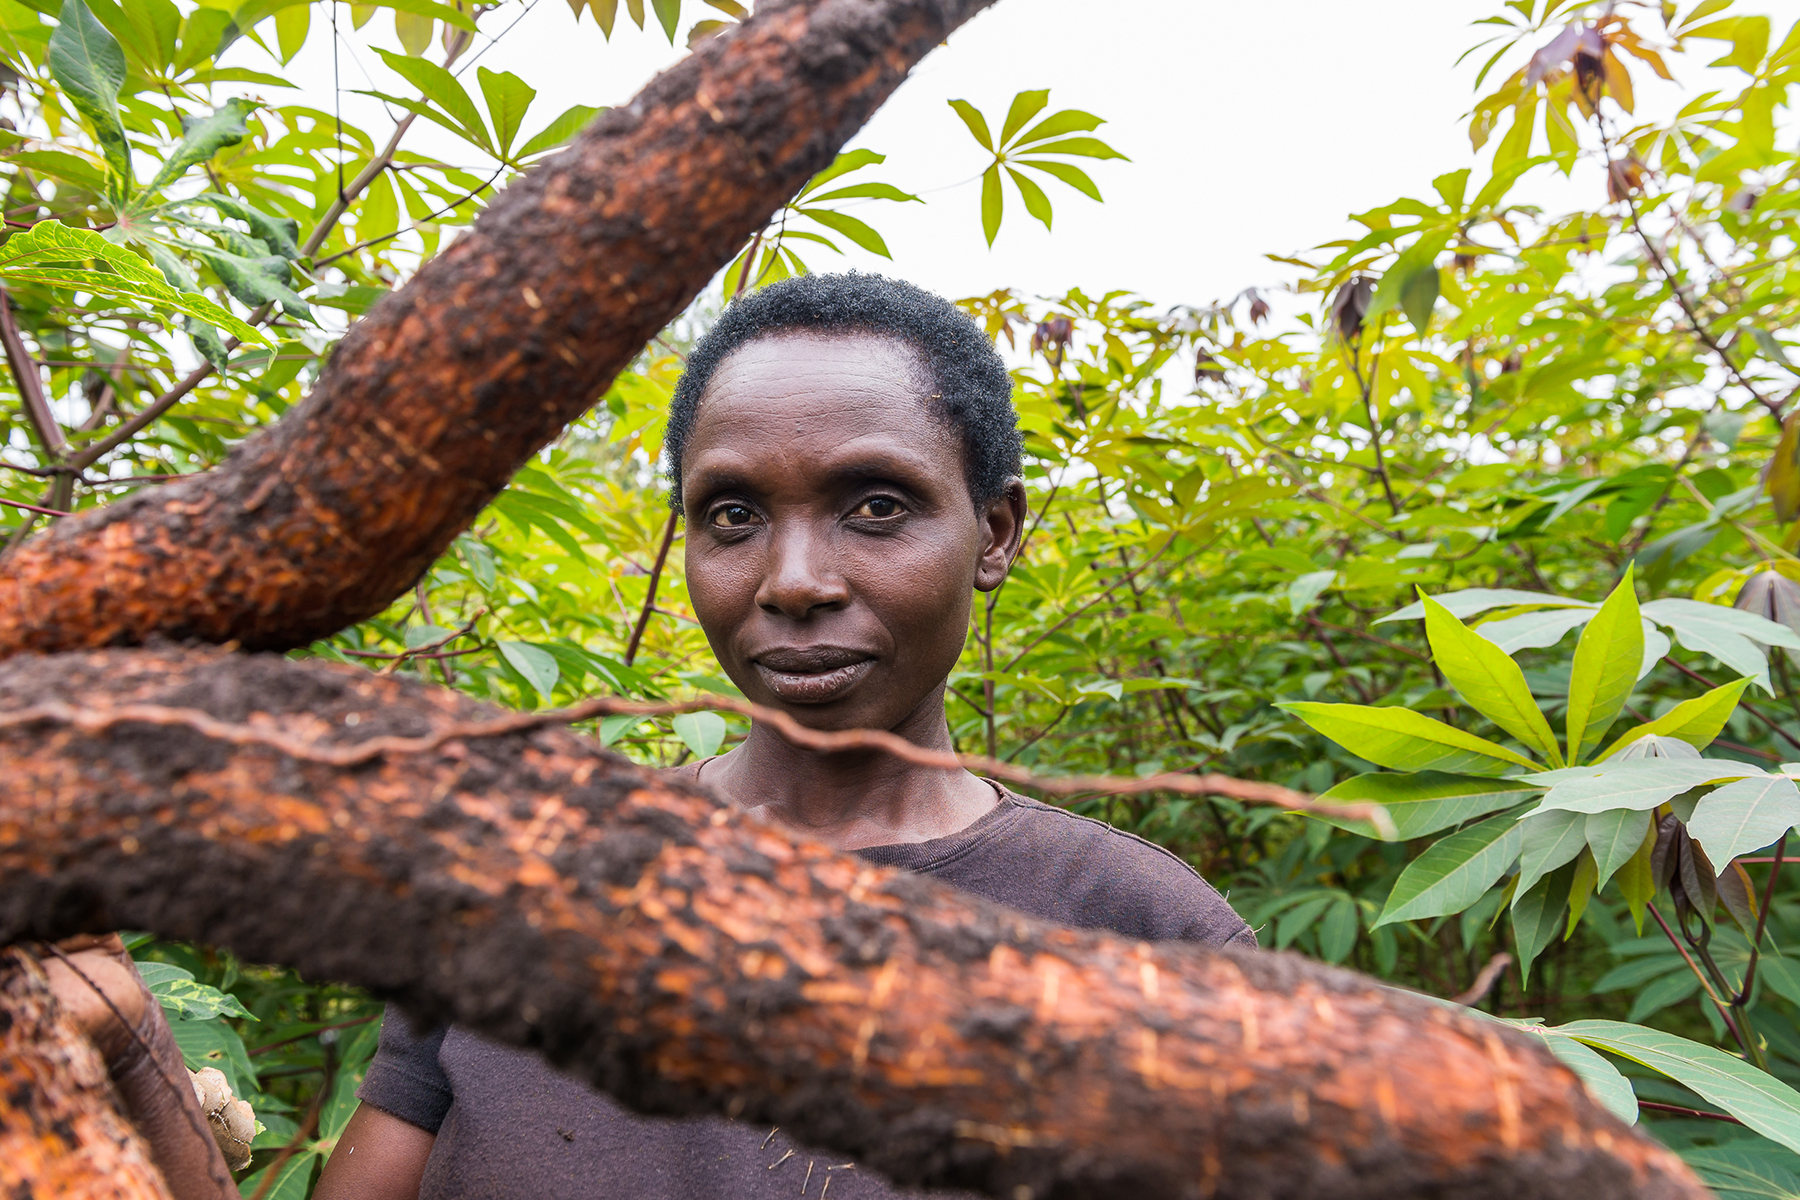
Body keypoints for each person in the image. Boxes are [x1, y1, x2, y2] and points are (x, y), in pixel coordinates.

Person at [50, 273, 1254, 1200]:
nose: (792, 579)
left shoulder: (1149, 940)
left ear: (994, 532)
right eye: (732, 514)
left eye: (874, 505)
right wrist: (135, 1077)